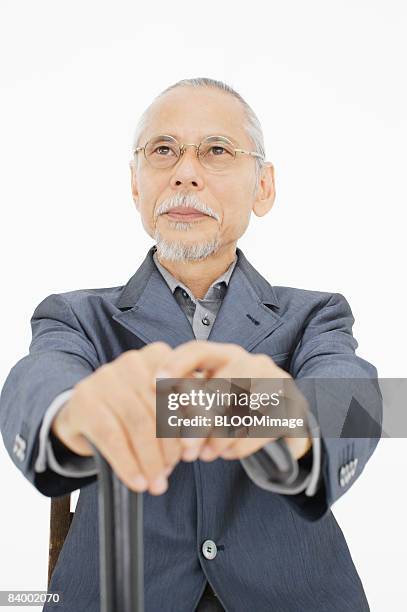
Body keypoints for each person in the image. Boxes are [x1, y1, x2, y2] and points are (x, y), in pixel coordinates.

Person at [0, 77, 382, 612]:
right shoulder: (77, 315)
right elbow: (34, 387)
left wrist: (259, 409)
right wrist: (75, 412)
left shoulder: (316, 314)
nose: (185, 172)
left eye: (216, 151)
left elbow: (365, 405)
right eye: (163, 151)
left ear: (264, 187)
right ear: (136, 185)